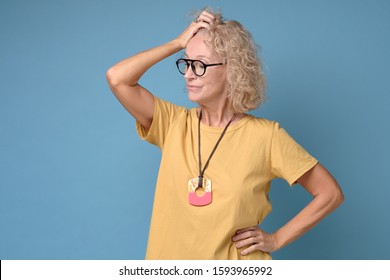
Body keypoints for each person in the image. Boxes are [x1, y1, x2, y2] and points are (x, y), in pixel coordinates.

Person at [106, 9, 344, 260]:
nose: (188, 73)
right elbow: (118, 78)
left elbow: (330, 193)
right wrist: (178, 42)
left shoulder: (267, 137)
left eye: (199, 65)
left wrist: (275, 239)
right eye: (186, 63)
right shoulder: (172, 123)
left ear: (232, 69)